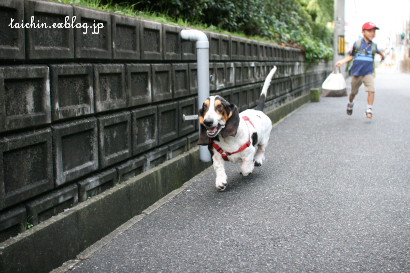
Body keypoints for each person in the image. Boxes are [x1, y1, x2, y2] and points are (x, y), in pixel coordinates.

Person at [336, 22, 385, 119]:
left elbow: (380, 52)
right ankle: (350, 103)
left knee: (371, 90)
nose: (372, 33)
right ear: (363, 32)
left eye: (374, 31)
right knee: (353, 93)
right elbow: (351, 56)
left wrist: (383, 56)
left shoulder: (374, 46)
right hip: (357, 73)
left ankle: (369, 109)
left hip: (368, 73)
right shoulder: (357, 44)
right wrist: (342, 61)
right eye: (369, 31)